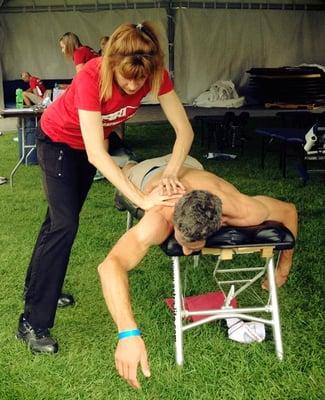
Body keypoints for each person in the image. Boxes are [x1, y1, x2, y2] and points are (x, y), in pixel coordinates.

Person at [16, 21, 194, 355]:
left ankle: (40, 288)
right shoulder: (91, 76)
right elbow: (99, 154)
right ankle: (32, 321)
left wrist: (170, 173)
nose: (132, 85)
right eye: (126, 77)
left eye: (139, 79)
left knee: (57, 221)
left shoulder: (155, 73)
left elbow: (184, 131)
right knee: (64, 224)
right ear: (112, 62)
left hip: (87, 147)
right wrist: (141, 197)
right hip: (58, 143)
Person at [97, 154, 298, 389]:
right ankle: (128, 160)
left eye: (191, 247)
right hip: (148, 174)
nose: (183, 250)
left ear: (221, 223)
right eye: (182, 241)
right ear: (174, 220)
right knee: (129, 170)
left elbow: (289, 211)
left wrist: (283, 268)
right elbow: (110, 265)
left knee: (187, 168)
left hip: (188, 164)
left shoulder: (243, 210)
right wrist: (127, 333)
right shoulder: (160, 216)